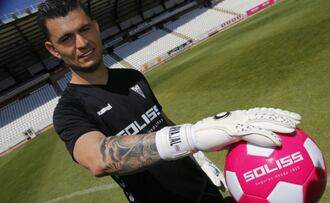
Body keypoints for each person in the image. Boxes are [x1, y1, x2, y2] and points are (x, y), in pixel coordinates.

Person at [37, 0, 301, 202]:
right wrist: (192, 136)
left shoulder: (132, 77)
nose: (82, 43)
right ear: (53, 49)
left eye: (85, 29)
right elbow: (98, 158)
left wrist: (199, 158)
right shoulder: (69, 110)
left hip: (203, 189)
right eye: (66, 38)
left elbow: (161, 122)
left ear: (96, 27)